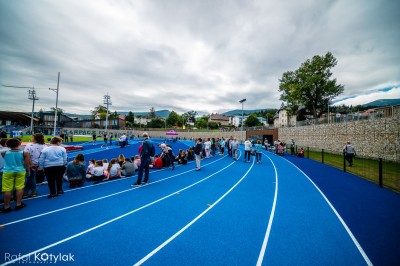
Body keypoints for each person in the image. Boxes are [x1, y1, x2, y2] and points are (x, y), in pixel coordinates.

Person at [0, 138, 31, 213]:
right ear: (19, 144)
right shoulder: (25, 153)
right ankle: (18, 204)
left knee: (7, 189)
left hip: (8, 171)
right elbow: (26, 164)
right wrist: (28, 171)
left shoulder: (3, 152)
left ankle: (7, 206)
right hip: (20, 171)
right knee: (19, 187)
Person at [23, 133, 46, 198]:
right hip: (39, 164)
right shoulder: (44, 146)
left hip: (31, 164)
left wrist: (30, 164)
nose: (31, 138)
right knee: (31, 178)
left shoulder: (29, 145)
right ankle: (28, 191)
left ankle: (30, 191)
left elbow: (27, 156)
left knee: (30, 178)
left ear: (36, 139)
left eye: (33, 137)